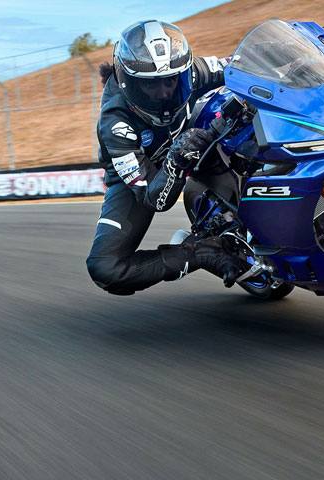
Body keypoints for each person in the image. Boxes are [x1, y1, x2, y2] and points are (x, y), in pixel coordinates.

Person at [86, 20, 243, 295]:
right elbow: (155, 199)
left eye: (171, 81)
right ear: (130, 83)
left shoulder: (191, 72)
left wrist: (299, 58)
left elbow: (241, 65)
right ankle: (201, 253)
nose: (165, 92)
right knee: (106, 268)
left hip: (195, 139)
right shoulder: (115, 123)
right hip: (141, 176)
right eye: (151, 85)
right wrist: (176, 159)